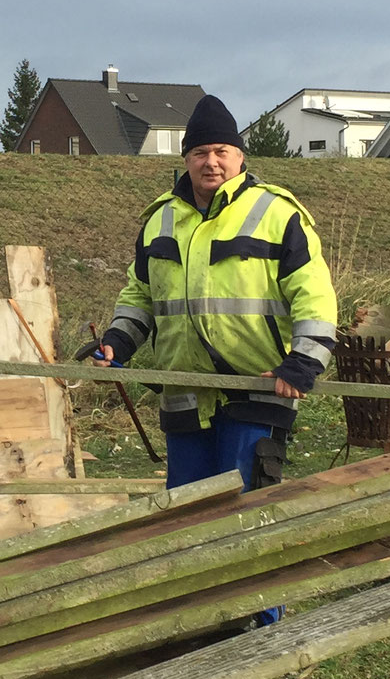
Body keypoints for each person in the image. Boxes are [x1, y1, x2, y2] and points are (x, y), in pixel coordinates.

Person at [93, 93, 338, 500]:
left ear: (240, 157)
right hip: (183, 394)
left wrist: (304, 363)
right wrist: (117, 342)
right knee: (185, 509)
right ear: (186, 158)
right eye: (201, 152)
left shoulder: (279, 213)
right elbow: (140, 294)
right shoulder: (159, 219)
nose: (212, 162)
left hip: (258, 389)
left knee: (244, 508)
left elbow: (314, 295)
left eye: (222, 151)